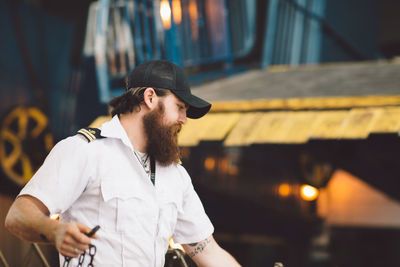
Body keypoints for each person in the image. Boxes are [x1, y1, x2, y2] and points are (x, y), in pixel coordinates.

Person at [5, 60, 241, 267]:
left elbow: (209, 252)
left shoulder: (176, 175)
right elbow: (17, 215)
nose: (184, 120)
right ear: (150, 98)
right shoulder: (85, 150)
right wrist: (54, 231)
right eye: (180, 107)